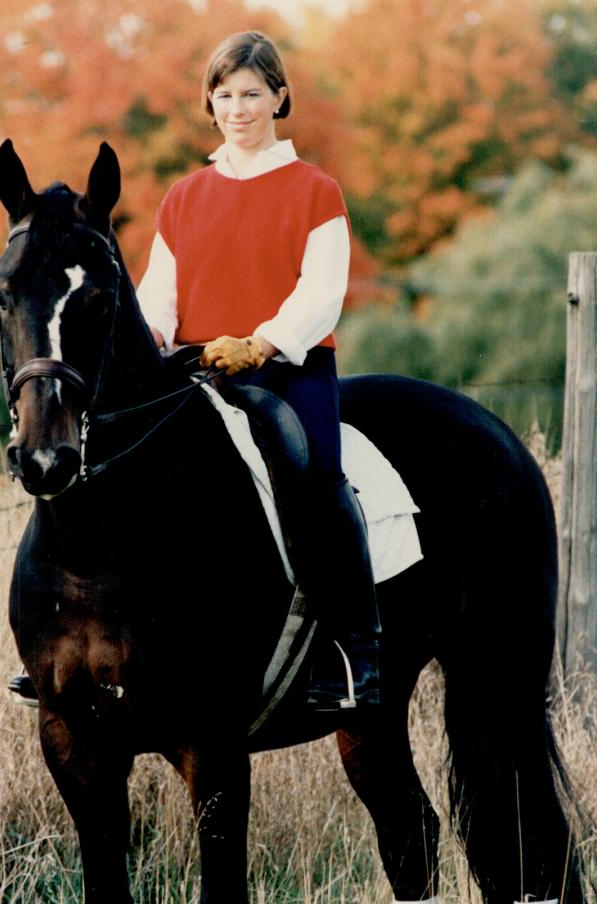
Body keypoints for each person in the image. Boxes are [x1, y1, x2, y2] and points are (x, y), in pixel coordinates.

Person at [136, 30, 381, 710]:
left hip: (288, 371)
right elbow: (159, 293)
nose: (237, 108)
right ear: (209, 105)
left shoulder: (315, 191)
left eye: (251, 94)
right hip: (197, 373)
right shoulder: (183, 196)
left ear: (279, 97)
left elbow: (322, 291)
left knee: (317, 480)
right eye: (223, 96)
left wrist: (263, 343)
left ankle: (356, 651)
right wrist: (150, 335)